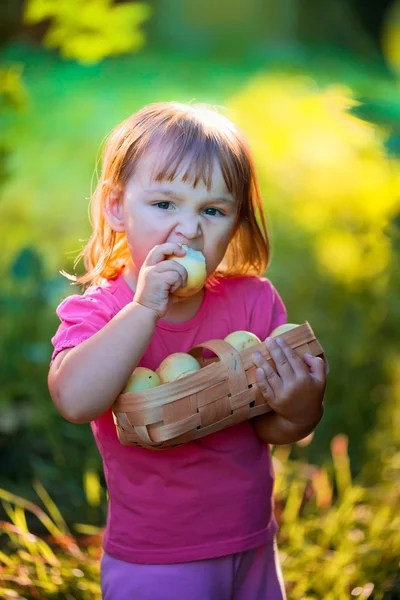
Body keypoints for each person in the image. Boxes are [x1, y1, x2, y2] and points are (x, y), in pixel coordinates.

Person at [48, 102, 327, 600]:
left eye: (213, 211)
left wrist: (302, 405)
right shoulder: (102, 312)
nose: (189, 229)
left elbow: (270, 426)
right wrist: (144, 308)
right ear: (116, 207)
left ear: (236, 222)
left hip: (252, 543)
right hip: (158, 561)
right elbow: (74, 399)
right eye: (164, 205)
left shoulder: (253, 301)